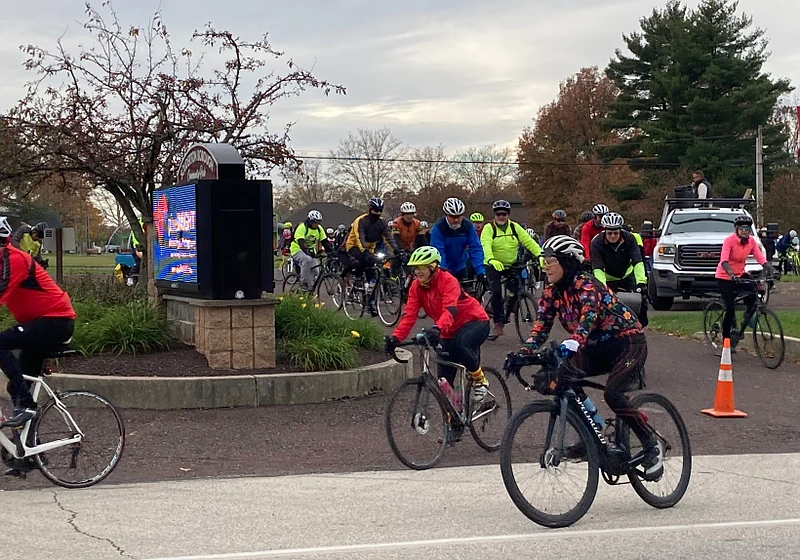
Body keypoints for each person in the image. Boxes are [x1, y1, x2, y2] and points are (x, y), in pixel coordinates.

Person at [518, 235, 663, 480]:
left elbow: (589, 316)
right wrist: (525, 352)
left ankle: (652, 445)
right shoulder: (551, 292)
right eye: (544, 260)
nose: (545, 265)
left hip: (627, 341)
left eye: (551, 260)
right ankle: (592, 434)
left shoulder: (586, 284)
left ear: (567, 262)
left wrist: (575, 340)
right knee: (561, 378)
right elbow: (541, 326)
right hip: (595, 346)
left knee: (613, 393)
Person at [385, 246, 491, 403]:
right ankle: (454, 419)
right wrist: (395, 338)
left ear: (433, 266)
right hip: (447, 329)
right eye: (415, 268)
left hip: (474, 321)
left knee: (460, 344)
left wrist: (437, 328)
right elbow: (409, 315)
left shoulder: (448, 280)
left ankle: (480, 381)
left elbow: (450, 310)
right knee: (443, 383)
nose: (417, 272)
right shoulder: (416, 286)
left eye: (421, 267)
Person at [0, 216, 76, 429]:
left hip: (55, 322)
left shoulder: (14, 259)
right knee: (19, 385)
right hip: (37, 324)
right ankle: (28, 454)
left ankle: (26, 404)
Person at [481, 199, 542, 338]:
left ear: (508, 214)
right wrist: (491, 259)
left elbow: (528, 241)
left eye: (504, 214)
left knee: (517, 288)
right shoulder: (489, 228)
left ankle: (509, 305)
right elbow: (486, 244)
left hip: (511, 264)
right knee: (496, 291)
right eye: (498, 214)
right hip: (493, 264)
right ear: (494, 215)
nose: (501, 217)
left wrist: (539, 254)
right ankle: (498, 323)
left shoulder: (515, 227)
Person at [716, 215, 774, 347]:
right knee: (730, 309)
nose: (744, 231)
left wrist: (770, 269)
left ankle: (747, 317)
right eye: (741, 228)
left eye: (747, 228)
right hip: (724, 276)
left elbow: (760, 258)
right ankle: (727, 340)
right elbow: (724, 260)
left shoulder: (751, 241)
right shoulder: (729, 241)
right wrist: (730, 273)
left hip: (740, 273)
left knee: (754, 292)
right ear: (736, 229)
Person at [590, 212, 649, 327]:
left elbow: (637, 262)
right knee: (603, 305)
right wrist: (602, 287)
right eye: (610, 233)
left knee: (642, 301)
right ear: (604, 231)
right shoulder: (596, 242)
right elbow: (598, 269)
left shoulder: (630, 238)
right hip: (608, 276)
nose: (613, 236)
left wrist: (641, 282)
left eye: (616, 233)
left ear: (620, 231)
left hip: (627, 274)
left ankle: (639, 327)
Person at [345, 198, 398, 299]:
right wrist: (364, 251)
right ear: (370, 209)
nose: (377, 213)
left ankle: (370, 300)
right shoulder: (361, 220)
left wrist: (396, 250)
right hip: (354, 246)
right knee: (364, 260)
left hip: (370, 248)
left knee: (373, 273)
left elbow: (388, 238)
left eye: (379, 211)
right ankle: (356, 278)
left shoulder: (382, 222)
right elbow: (359, 237)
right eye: (375, 211)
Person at [429, 198, 485, 283]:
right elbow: (438, 252)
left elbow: (475, 248)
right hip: (444, 266)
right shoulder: (438, 228)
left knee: (465, 294)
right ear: (446, 215)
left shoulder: (468, 226)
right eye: (452, 217)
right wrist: (443, 272)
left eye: (458, 216)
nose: (456, 220)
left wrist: (480, 271)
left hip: (460, 265)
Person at [290, 210, 332, 292]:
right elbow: (301, 241)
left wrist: (331, 251)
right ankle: (304, 283)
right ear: (309, 221)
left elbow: (324, 241)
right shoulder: (302, 227)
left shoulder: (319, 229)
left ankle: (309, 287)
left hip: (311, 252)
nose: (316, 224)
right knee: (307, 260)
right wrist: (307, 251)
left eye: (318, 223)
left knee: (316, 271)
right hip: (297, 249)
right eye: (315, 222)